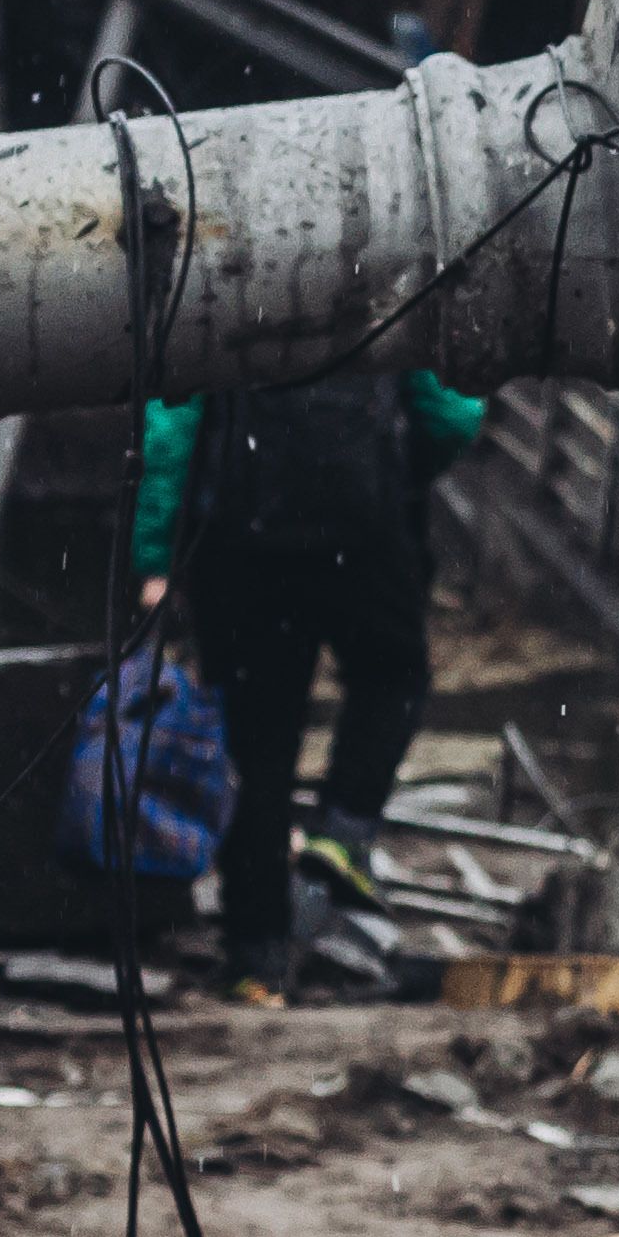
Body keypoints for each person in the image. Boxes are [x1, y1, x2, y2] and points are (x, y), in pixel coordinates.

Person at [130, 370, 484, 997]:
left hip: (244, 548)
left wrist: (156, 554)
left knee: (256, 747)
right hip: (363, 535)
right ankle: (343, 830)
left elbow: (171, 425)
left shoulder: (217, 288)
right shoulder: (379, 283)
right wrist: (400, 474)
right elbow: (453, 416)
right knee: (393, 674)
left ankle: (256, 960)